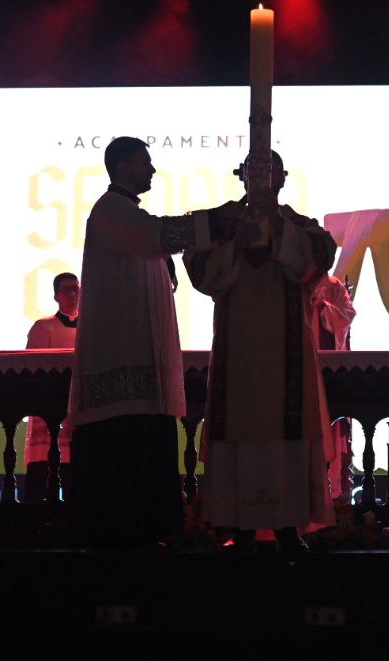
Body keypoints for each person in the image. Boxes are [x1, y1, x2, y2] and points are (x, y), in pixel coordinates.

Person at [68, 136, 236, 548]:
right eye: (145, 162)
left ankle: (151, 534)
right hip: (122, 368)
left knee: (146, 449)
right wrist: (220, 219)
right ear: (123, 166)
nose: (152, 170)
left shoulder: (128, 214)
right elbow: (159, 235)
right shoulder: (110, 211)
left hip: (142, 365)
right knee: (125, 459)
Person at [185, 151, 336, 551]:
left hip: (288, 356)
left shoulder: (299, 225)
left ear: (284, 179)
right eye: (255, 172)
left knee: (286, 431)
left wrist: (278, 228)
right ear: (242, 177)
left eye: (271, 173)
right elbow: (202, 273)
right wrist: (237, 242)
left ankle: (287, 525)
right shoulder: (224, 223)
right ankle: (241, 526)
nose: (264, 180)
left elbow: (318, 258)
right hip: (239, 352)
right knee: (241, 430)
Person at [23, 271, 79, 502]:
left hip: (78, 408)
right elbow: (31, 369)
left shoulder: (92, 329)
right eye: (66, 289)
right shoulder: (43, 328)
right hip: (49, 410)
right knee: (43, 477)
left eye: (76, 289)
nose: (73, 294)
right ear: (56, 296)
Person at [312, 276, 357, 503]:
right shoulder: (291, 280)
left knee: (331, 422)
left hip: (327, 370)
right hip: (298, 366)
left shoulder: (333, 286)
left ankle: (333, 492)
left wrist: (323, 308)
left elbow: (346, 315)